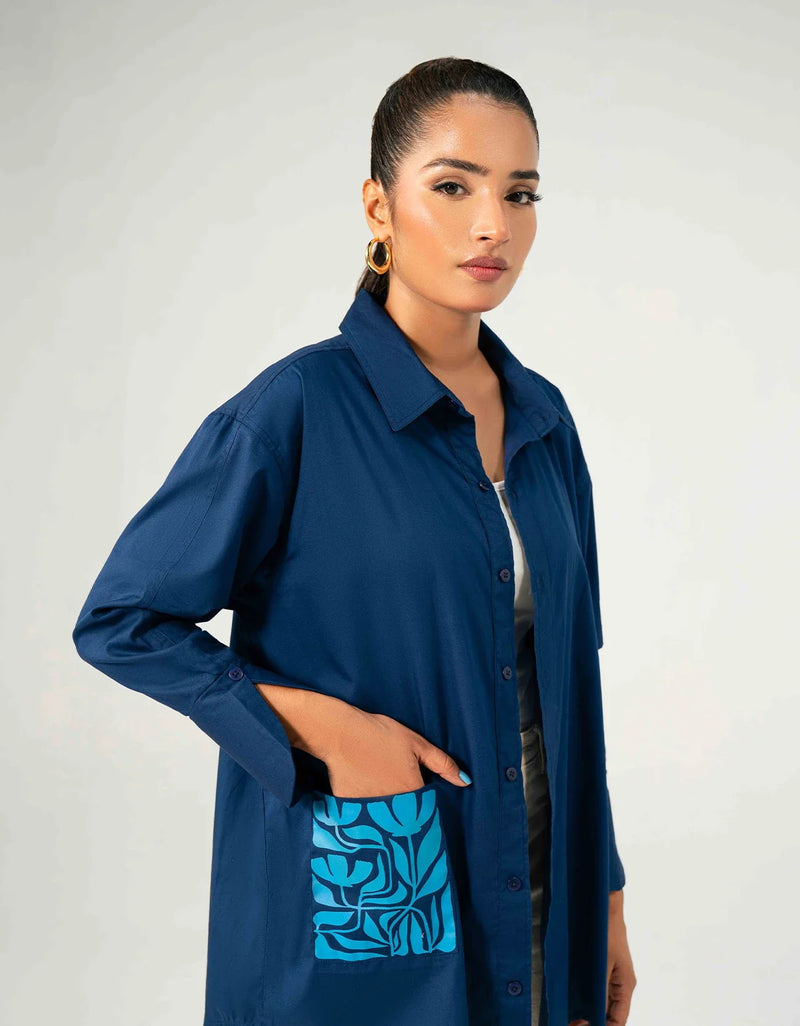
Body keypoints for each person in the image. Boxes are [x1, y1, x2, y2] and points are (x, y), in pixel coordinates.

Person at [72, 57, 636, 1026]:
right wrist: (325, 731)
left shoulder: (546, 425)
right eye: (453, 187)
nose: (492, 225)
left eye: (519, 193)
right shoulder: (293, 413)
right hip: (371, 885)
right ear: (378, 207)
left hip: (543, 899)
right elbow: (122, 620)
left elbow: (569, 686)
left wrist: (606, 897)